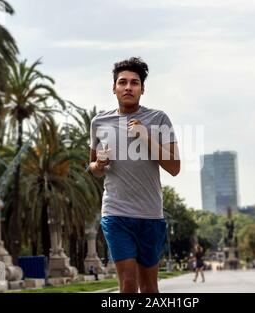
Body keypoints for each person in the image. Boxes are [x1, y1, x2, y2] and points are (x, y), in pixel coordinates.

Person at [89, 57, 180, 293]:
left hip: (150, 214)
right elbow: (93, 167)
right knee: (128, 284)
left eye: (134, 82)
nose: (128, 87)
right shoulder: (99, 122)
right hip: (115, 212)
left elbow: (174, 167)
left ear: (142, 89)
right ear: (114, 88)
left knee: (149, 287)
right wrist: (99, 164)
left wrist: (145, 136)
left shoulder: (159, 119)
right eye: (122, 82)